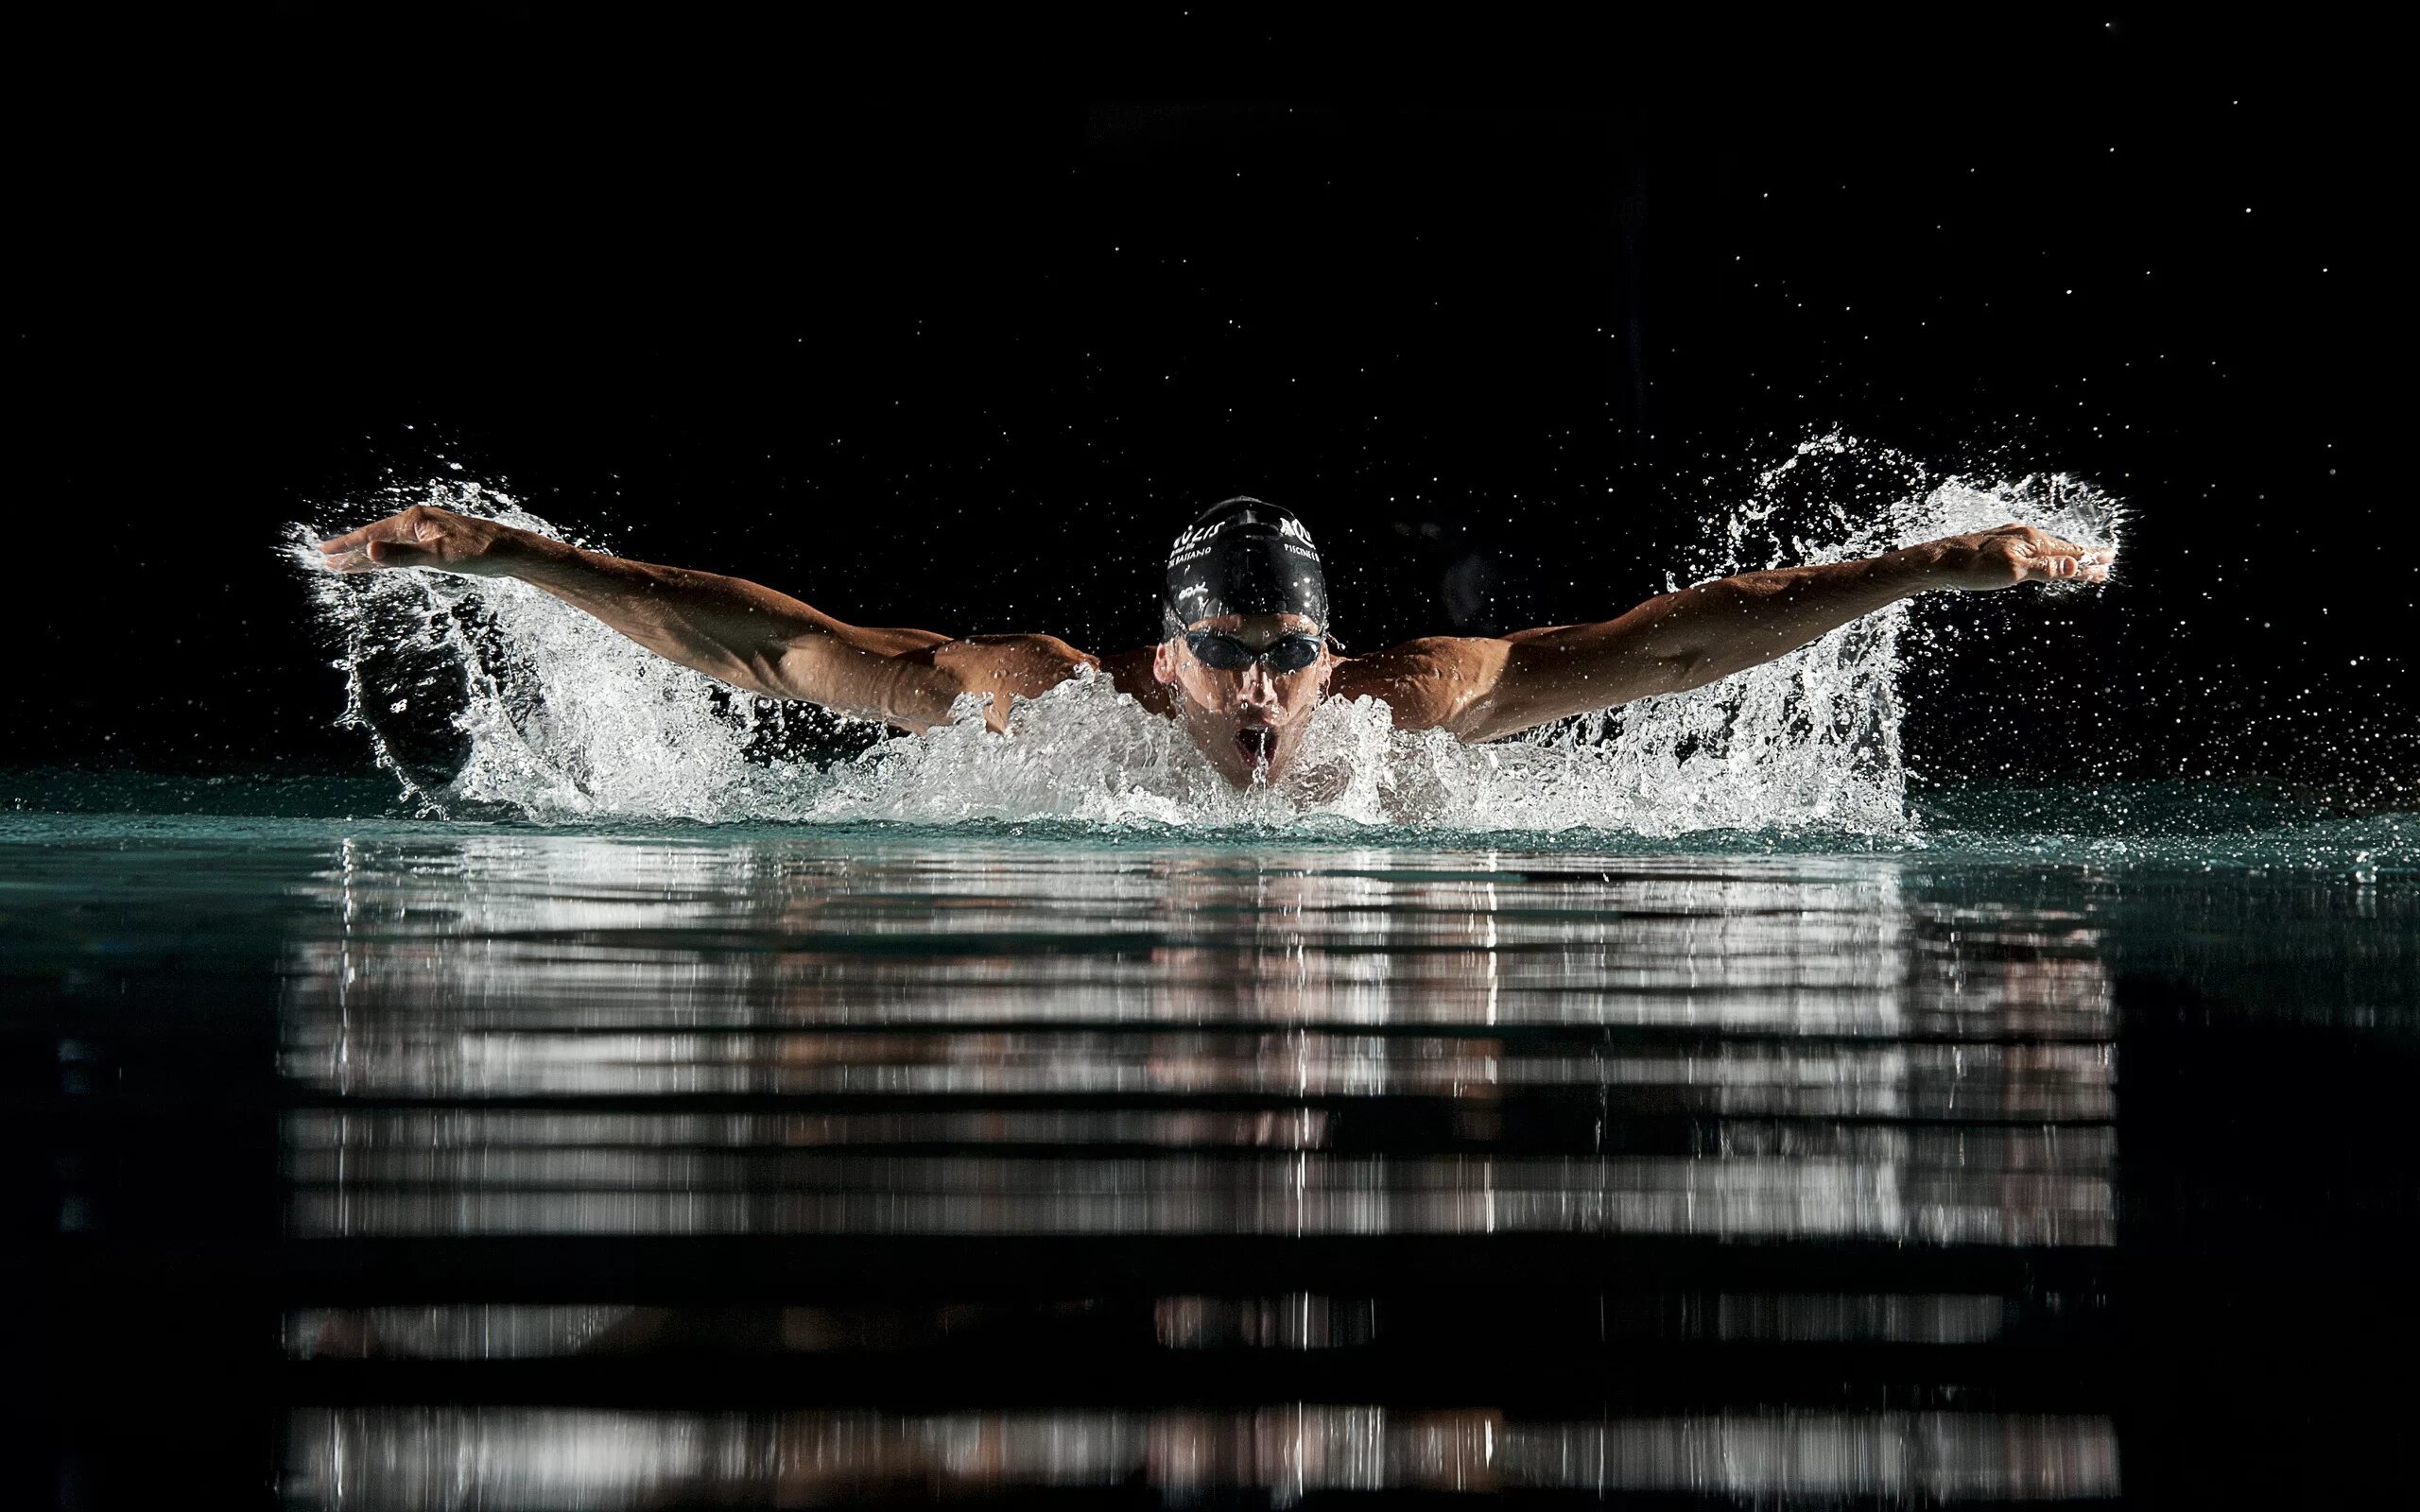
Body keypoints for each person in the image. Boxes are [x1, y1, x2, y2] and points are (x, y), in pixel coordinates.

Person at [319, 495, 2112, 787]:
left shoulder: (1413, 710)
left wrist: (1929, 567)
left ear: (1334, 656)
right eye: (1228, 655)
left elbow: (1675, 648)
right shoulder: (1045, 705)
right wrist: (507, 558)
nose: (1261, 693)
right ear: (1157, 660)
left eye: (1289, 655)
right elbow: (763, 650)